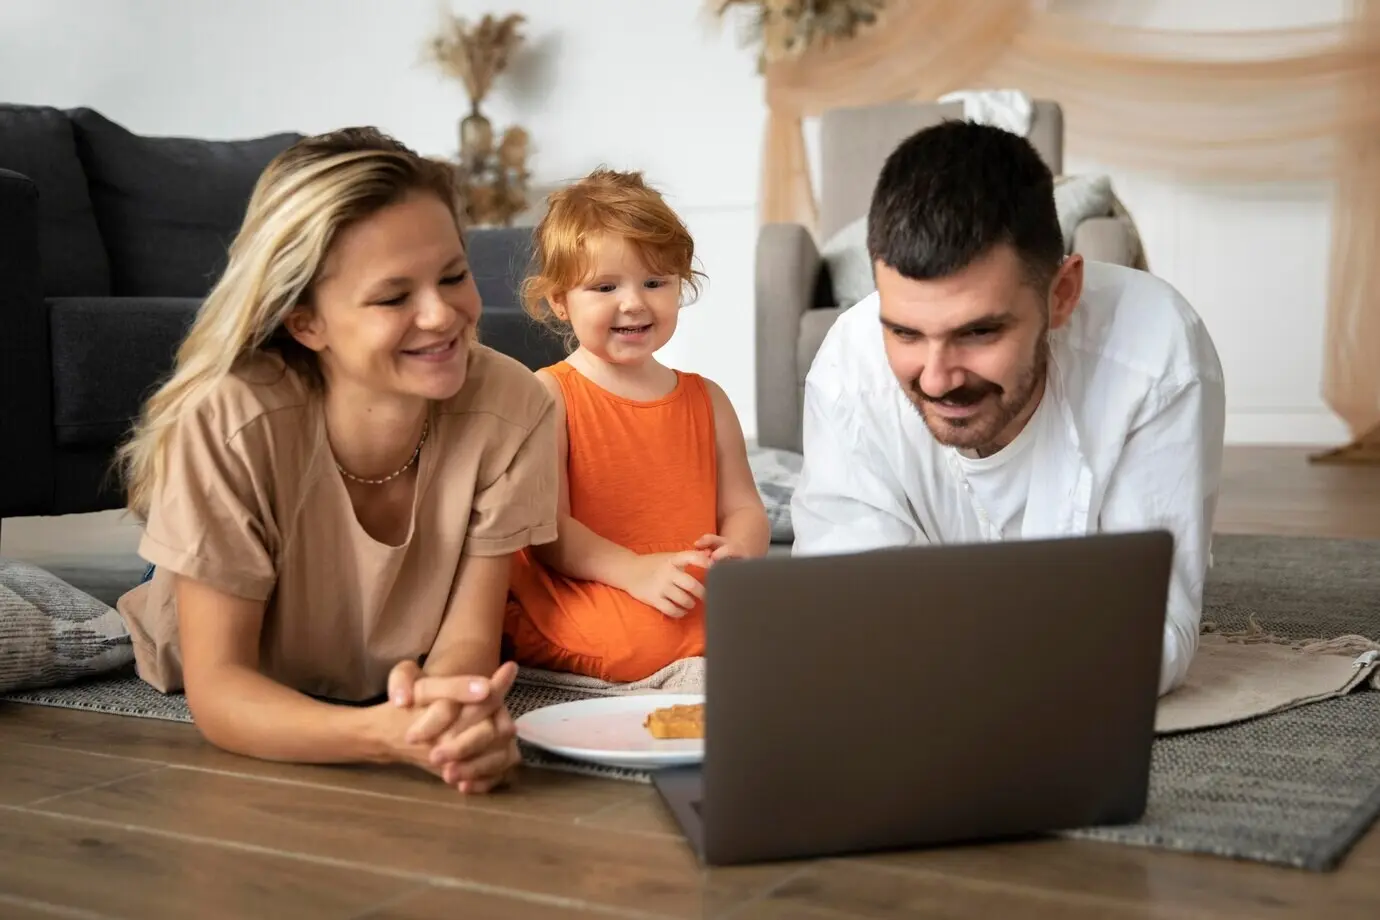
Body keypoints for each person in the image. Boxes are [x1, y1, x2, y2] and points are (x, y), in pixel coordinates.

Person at [114, 127, 560, 793]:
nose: (441, 315)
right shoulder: (231, 421)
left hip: (377, 650)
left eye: (453, 276)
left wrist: (449, 711)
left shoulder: (516, 405)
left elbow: (468, 638)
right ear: (306, 322)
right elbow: (221, 689)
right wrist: (384, 736)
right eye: (392, 297)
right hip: (238, 622)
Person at [790, 121, 1226, 696]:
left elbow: (1148, 637)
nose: (938, 378)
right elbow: (839, 612)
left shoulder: (1156, 353)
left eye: (979, 332)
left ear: (1062, 295)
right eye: (905, 332)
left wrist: (921, 637)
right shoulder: (849, 368)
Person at [502, 168, 770, 682]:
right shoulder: (552, 394)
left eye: (655, 282)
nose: (634, 302)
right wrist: (633, 571)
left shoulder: (706, 398)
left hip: (684, 583)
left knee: (778, 623)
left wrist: (740, 550)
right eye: (605, 286)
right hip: (589, 579)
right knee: (640, 642)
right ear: (559, 300)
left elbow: (743, 505)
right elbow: (547, 530)